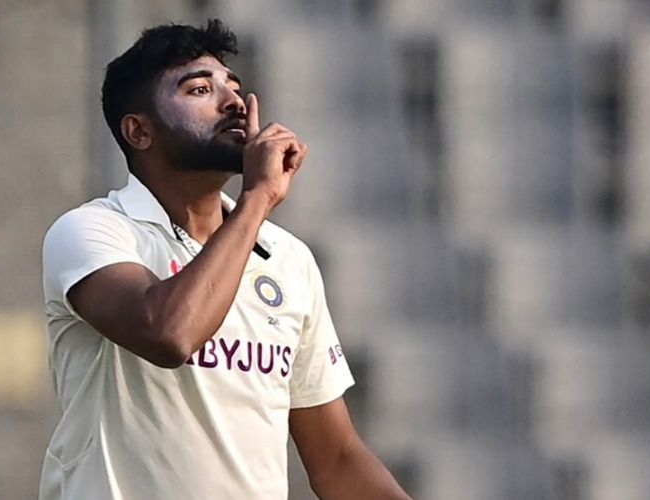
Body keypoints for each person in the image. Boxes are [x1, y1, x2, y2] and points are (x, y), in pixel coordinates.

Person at [39, 19, 411, 500]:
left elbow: (337, 458)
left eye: (234, 87)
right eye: (199, 89)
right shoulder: (93, 231)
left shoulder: (288, 259)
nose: (234, 102)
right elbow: (170, 334)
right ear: (139, 131)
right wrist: (257, 199)